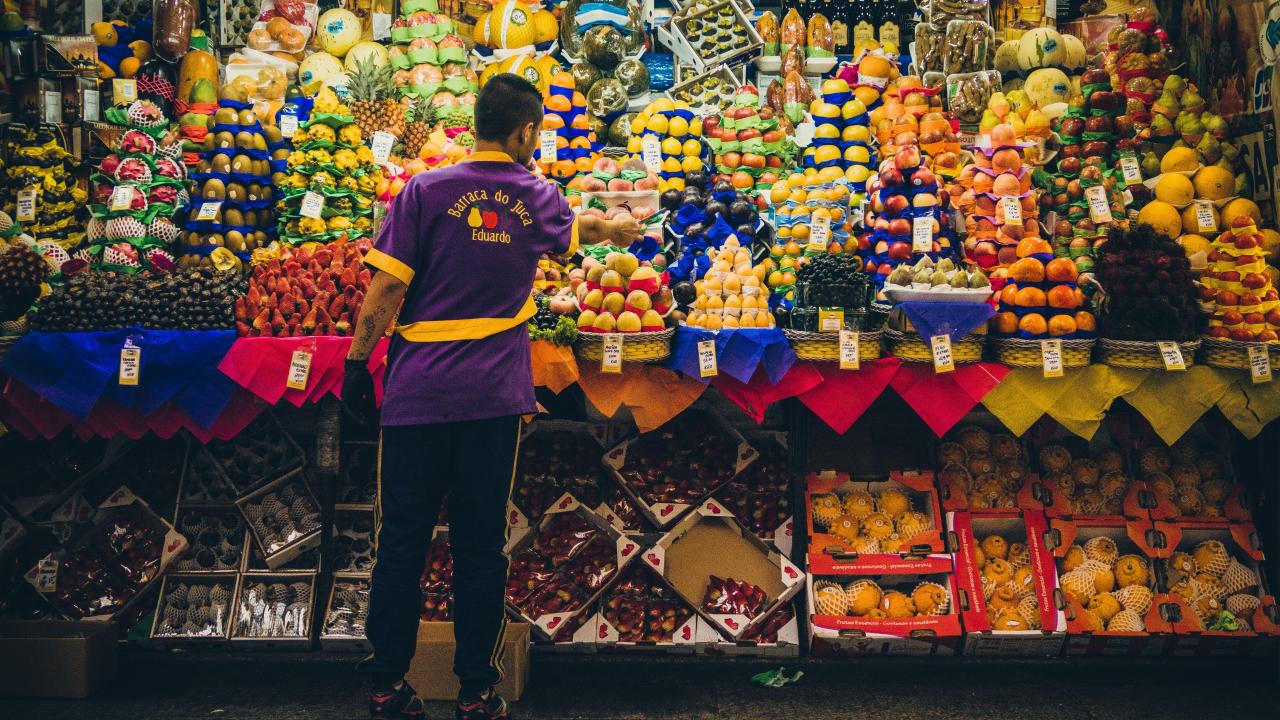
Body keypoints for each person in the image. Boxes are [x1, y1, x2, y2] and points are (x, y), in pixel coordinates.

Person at [341, 73, 643, 720]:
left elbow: (385, 292)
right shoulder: (537, 195)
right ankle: (476, 693)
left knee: (400, 542)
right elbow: (580, 231)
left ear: (476, 123)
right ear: (526, 131)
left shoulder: (423, 191)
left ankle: (387, 687)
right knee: (480, 547)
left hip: (416, 394)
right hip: (491, 400)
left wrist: (354, 366)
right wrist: (617, 232)